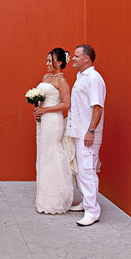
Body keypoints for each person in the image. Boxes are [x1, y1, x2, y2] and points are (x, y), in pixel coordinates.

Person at [31, 47, 75, 214]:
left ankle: (55, 200)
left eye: (50, 61)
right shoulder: (46, 77)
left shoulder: (62, 81)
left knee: (52, 155)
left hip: (53, 121)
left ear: (59, 62)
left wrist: (45, 110)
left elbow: (66, 104)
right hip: (43, 121)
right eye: (47, 60)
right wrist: (37, 108)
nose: (47, 63)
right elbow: (41, 97)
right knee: (43, 156)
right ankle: (43, 199)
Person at [66, 44, 106, 227]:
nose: (72, 59)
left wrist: (91, 131)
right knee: (82, 170)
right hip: (79, 131)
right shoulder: (81, 77)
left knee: (87, 171)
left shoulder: (94, 79)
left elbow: (97, 107)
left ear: (86, 59)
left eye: (76, 56)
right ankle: (86, 202)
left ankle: (92, 211)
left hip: (87, 133)